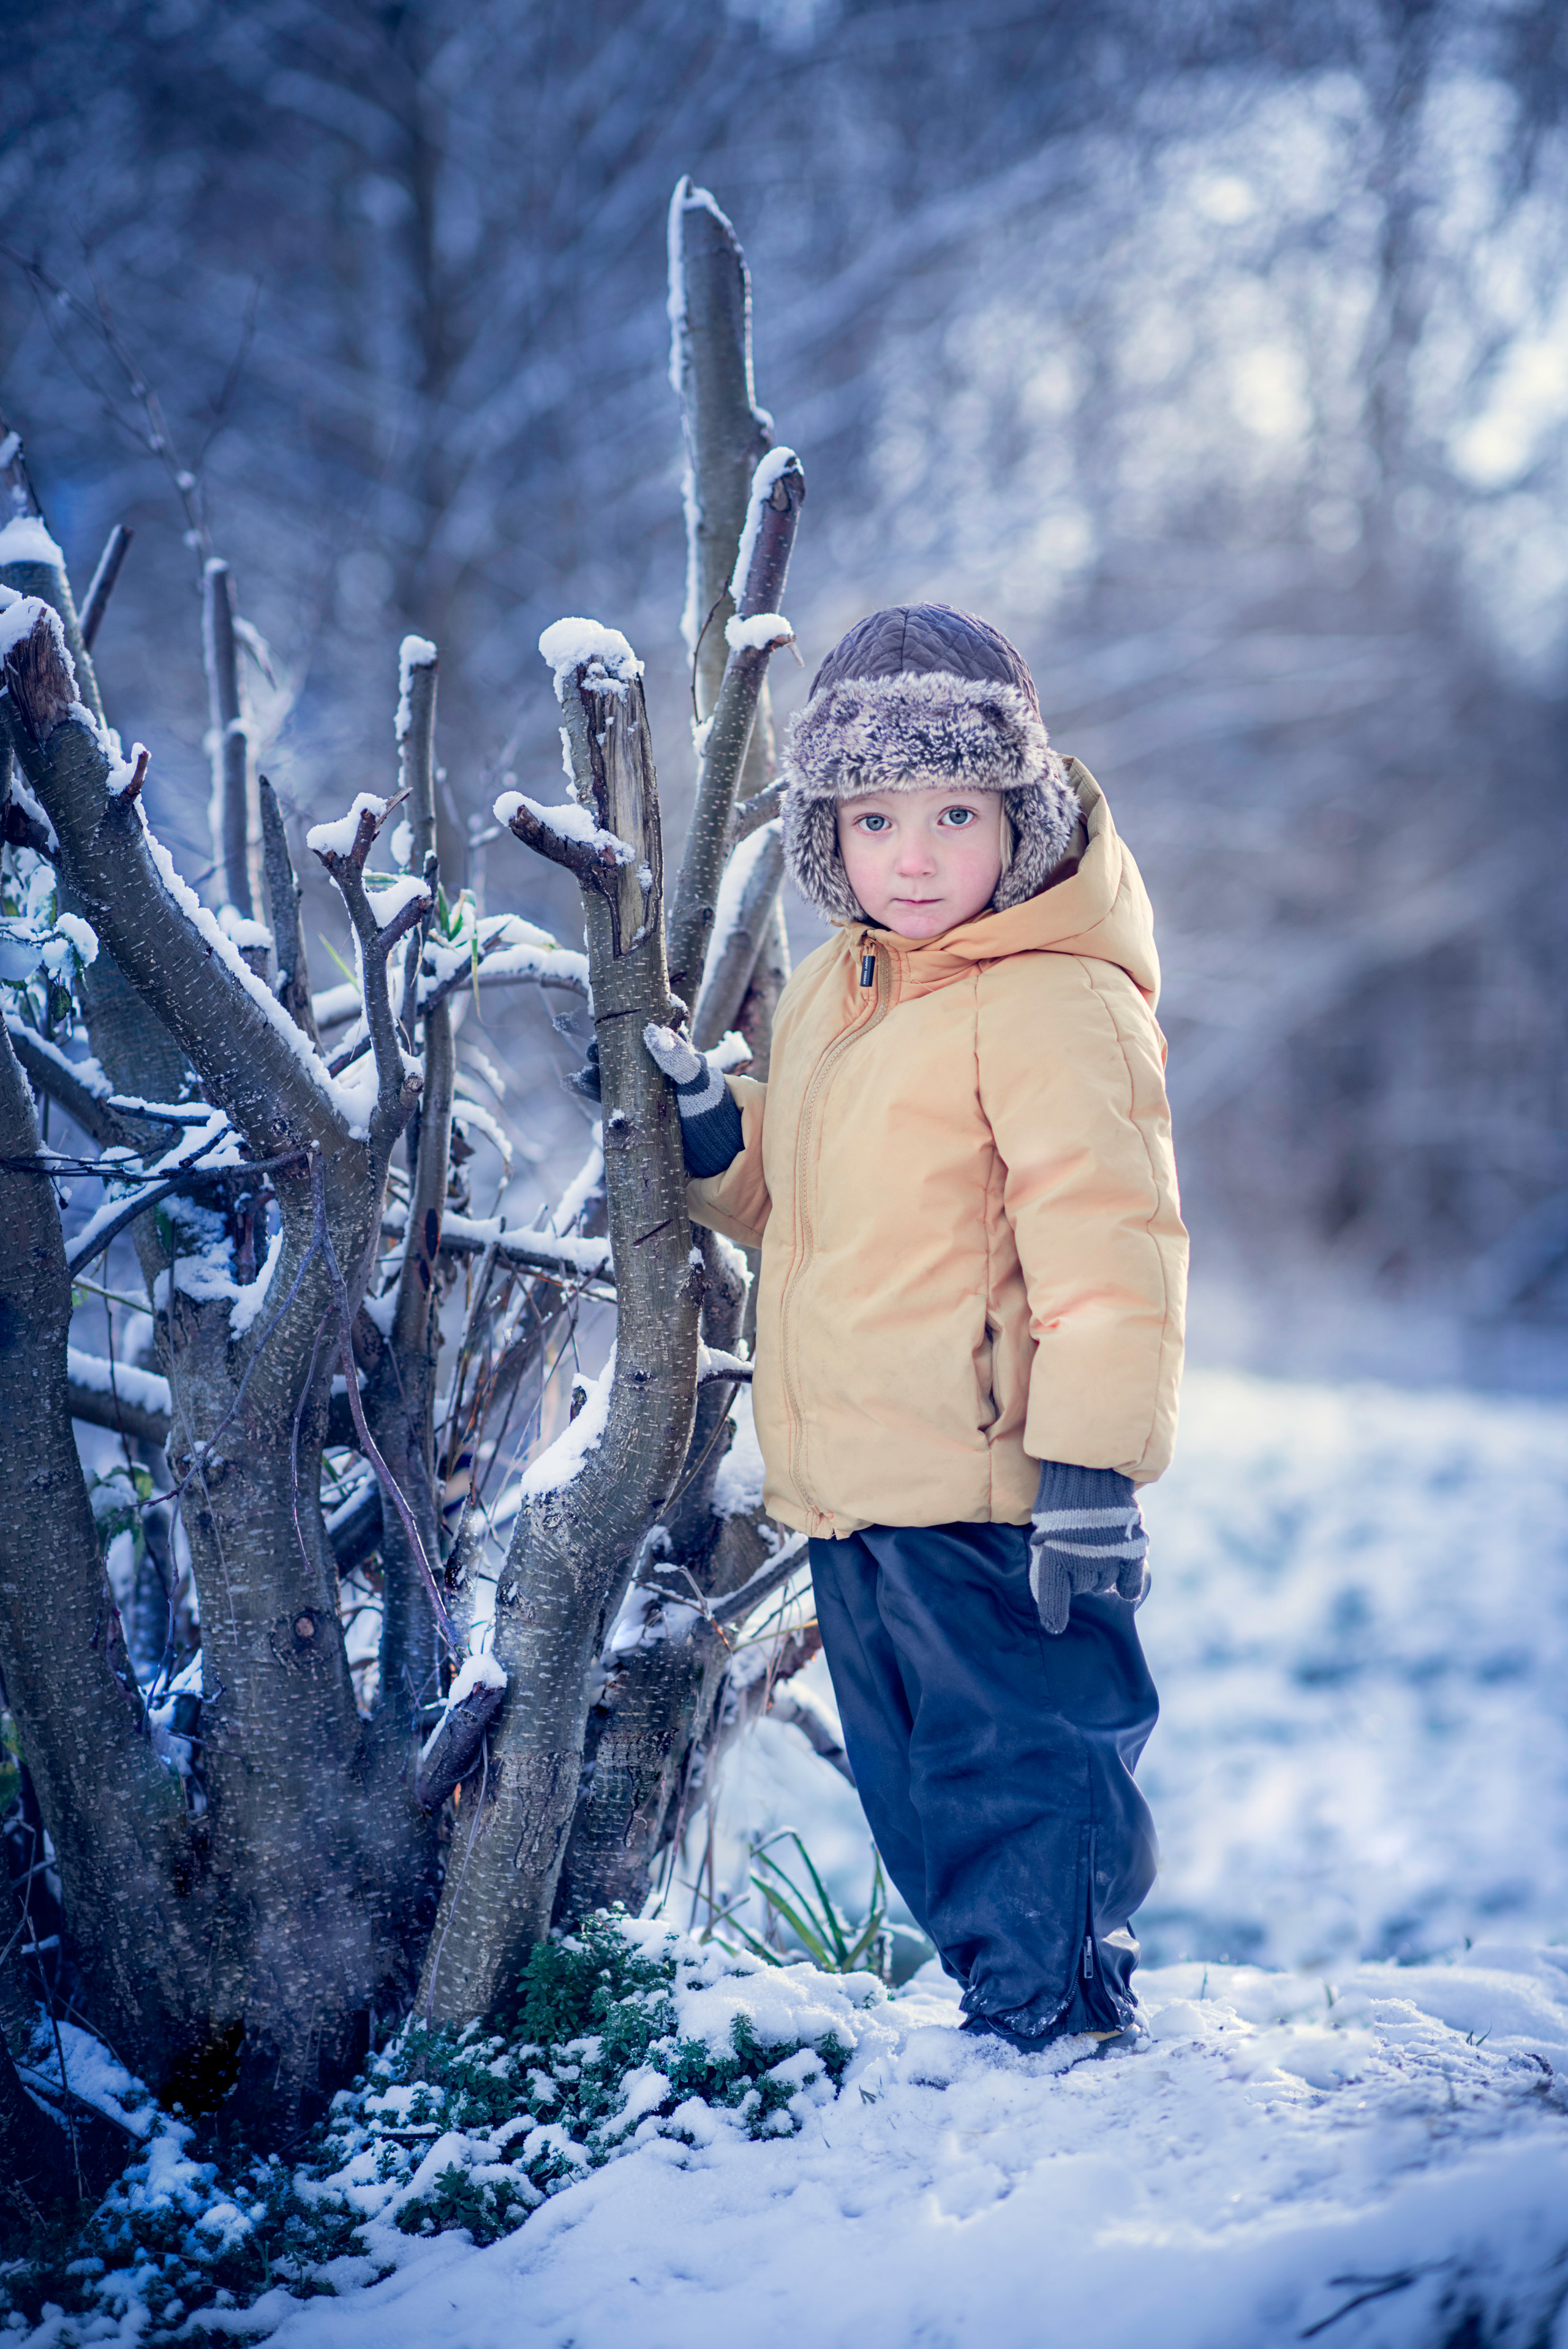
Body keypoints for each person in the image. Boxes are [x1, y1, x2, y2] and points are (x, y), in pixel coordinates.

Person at [646, 603, 1187, 2052]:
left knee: (1019, 1761)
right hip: (856, 1489)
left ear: (1019, 807)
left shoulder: (1052, 998)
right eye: (876, 817)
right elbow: (805, 1206)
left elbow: (1110, 1248)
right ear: (831, 834)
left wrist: (1085, 1471)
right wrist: (713, 1128)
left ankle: (1060, 2012)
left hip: (994, 1483)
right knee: (912, 1783)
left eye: (956, 809)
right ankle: (1006, 2004)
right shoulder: (838, 988)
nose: (918, 851)